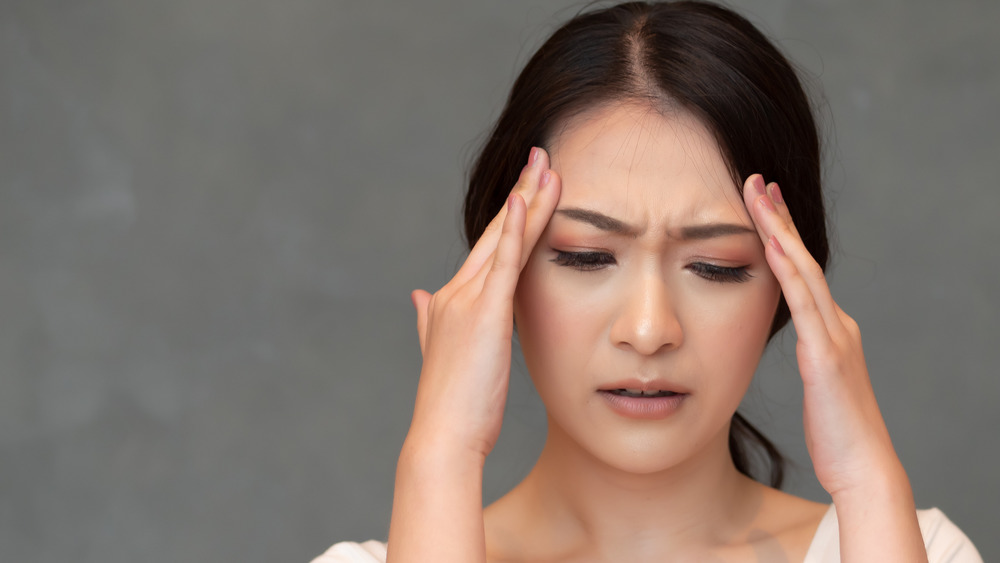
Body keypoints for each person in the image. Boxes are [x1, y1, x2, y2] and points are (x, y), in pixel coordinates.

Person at [314, 2, 981, 561]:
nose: (649, 328)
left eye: (716, 265)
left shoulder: (907, 544)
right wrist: (442, 454)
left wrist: (867, 481)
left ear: (788, 285)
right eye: (585, 255)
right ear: (500, 274)